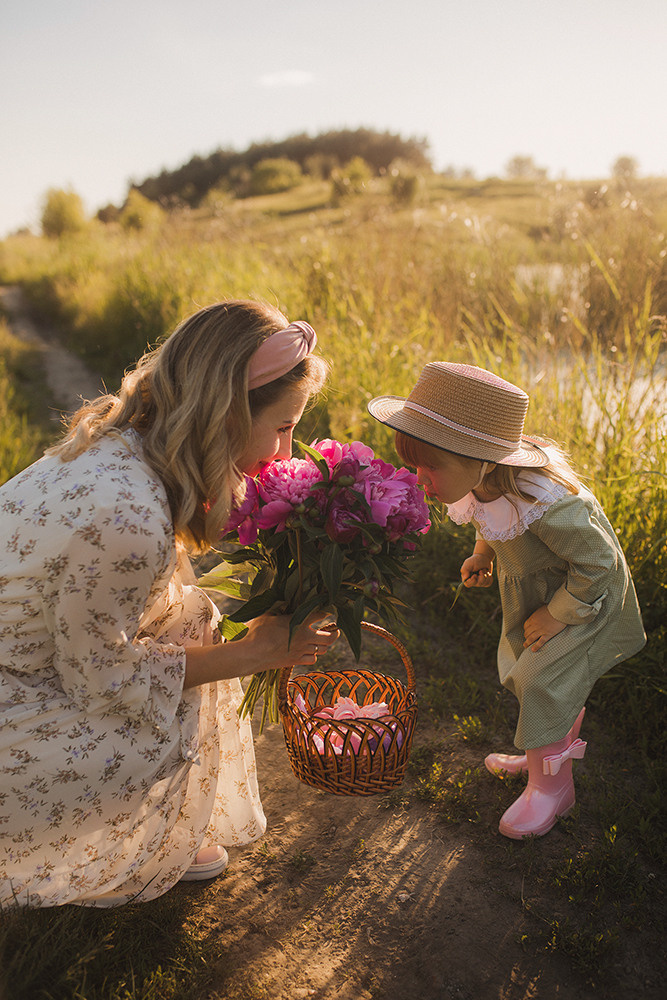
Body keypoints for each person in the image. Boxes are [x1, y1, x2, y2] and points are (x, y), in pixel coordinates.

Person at [0, 299, 339, 907]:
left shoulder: (123, 444)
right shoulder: (129, 515)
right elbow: (100, 681)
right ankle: (115, 853)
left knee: (191, 620)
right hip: (12, 697)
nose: (289, 452)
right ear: (227, 414)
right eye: (284, 426)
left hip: (28, 655)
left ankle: (148, 827)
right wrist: (256, 652)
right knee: (162, 711)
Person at [368, 361, 646, 839]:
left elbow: (599, 562)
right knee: (528, 671)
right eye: (415, 463)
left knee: (543, 681)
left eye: (430, 466)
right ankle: (542, 757)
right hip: (544, 595)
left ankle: (553, 790)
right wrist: (482, 552)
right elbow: (486, 519)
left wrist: (558, 614)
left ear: (485, 460)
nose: (419, 477)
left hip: (582, 600)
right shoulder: (482, 479)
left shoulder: (547, 502)